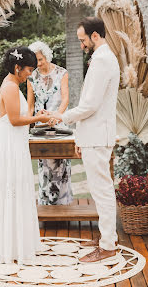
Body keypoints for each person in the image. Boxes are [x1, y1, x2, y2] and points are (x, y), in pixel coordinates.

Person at [50, 17, 120, 263]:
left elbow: (90, 105)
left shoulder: (102, 60)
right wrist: (79, 136)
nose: (81, 45)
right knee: (100, 189)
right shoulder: (104, 58)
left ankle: (108, 245)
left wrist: (62, 116)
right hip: (94, 135)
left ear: (95, 36)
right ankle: (106, 237)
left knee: (101, 191)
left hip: (99, 136)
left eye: (82, 40)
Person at [0, 46, 50, 265]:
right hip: (10, 144)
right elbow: (14, 120)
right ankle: (10, 247)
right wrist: (39, 120)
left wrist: (36, 112)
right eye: (29, 69)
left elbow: (23, 115)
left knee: (19, 188)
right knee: (11, 188)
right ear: (17, 67)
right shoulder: (9, 87)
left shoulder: (14, 84)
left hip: (16, 143)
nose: (31, 73)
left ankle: (18, 243)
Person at [27, 41, 73, 205]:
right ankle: (46, 205)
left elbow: (66, 97)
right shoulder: (31, 77)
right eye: (34, 61)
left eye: (40, 59)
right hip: (41, 127)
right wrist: (28, 124)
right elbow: (30, 105)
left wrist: (58, 115)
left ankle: (64, 204)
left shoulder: (62, 73)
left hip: (60, 125)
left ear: (46, 56)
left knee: (61, 163)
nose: (38, 64)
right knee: (44, 166)